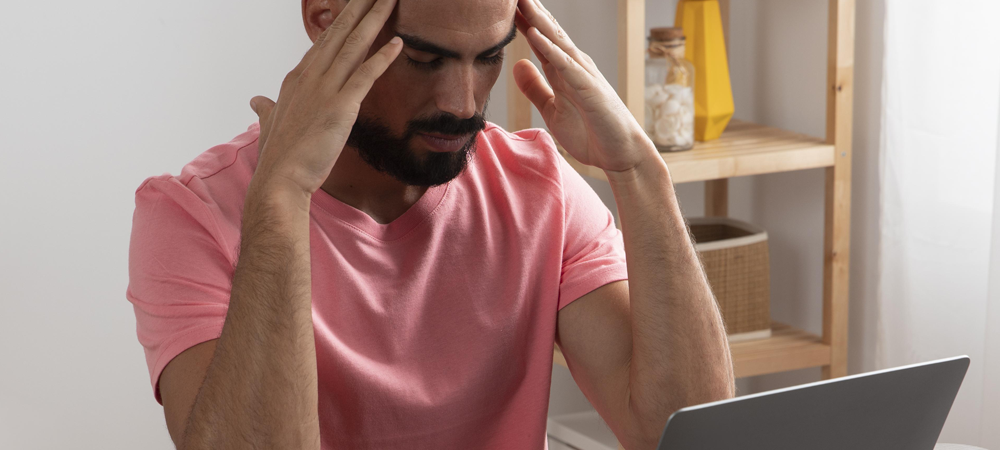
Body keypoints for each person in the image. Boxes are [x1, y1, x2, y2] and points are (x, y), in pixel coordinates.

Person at [126, 0, 735, 448]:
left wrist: (640, 174)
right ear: (325, 18)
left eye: (489, 58)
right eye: (423, 60)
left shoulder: (538, 189)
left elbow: (683, 432)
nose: (463, 102)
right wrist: (282, 201)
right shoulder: (193, 216)